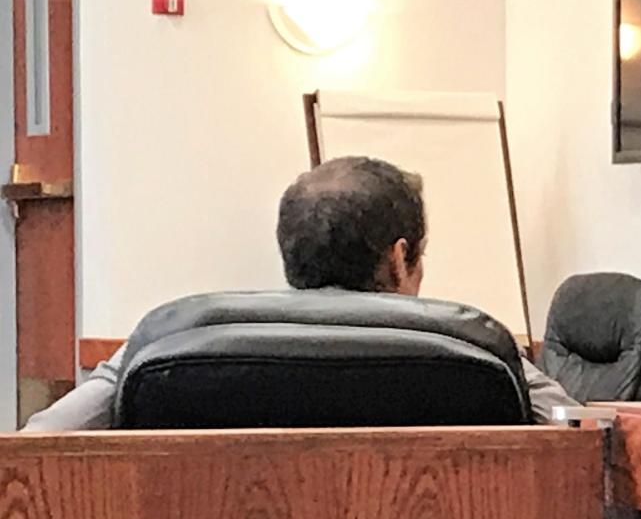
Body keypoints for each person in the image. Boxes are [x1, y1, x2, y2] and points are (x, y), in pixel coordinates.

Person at [23, 156, 578, 430]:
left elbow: (41, 443)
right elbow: (597, 445)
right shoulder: (480, 348)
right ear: (400, 255)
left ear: (288, 252)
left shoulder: (165, 342)